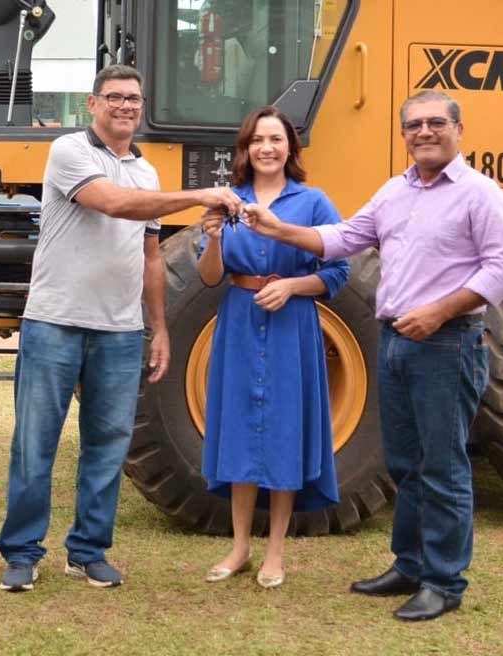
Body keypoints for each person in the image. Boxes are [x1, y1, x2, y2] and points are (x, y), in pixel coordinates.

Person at [242, 90, 503, 620]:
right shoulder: (395, 193)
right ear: (403, 135)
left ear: (459, 130)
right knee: (405, 464)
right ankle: (410, 564)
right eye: (414, 125)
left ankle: (443, 582)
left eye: (435, 123)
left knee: (442, 466)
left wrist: (440, 311)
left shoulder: (481, 195)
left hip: (447, 342)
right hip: (394, 339)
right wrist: (278, 228)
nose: (424, 132)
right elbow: (346, 237)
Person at [0, 64, 242, 592]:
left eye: (133, 98)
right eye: (115, 98)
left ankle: (87, 551)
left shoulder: (148, 172)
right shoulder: (69, 153)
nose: (125, 106)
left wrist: (160, 328)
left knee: (107, 445)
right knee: (35, 443)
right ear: (93, 104)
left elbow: (151, 256)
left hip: (120, 331)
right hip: (56, 322)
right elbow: (113, 204)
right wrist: (199, 196)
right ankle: (21, 552)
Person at [196, 106, 348, 589]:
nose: (266, 148)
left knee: (284, 433)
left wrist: (292, 288)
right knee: (240, 431)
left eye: (276, 139)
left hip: (291, 326)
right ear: (245, 149)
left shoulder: (314, 201)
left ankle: (276, 552)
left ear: (290, 148)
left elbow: (339, 270)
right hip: (238, 323)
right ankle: (240, 546)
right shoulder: (229, 201)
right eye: (257, 140)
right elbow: (209, 277)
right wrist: (214, 239)